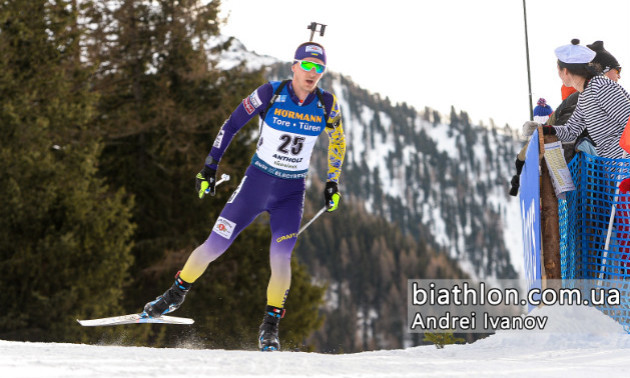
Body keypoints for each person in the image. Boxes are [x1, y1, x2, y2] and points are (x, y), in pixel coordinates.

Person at [143, 41, 346, 351]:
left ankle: (270, 327)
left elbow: (338, 142)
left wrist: (332, 182)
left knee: (281, 258)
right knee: (214, 244)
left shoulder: (326, 104)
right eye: (306, 66)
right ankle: (174, 295)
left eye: (318, 68)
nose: (312, 73)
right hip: (256, 184)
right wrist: (210, 167)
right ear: (294, 66)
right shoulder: (270, 93)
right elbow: (232, 123)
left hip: (290, 193)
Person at [522, 39, 630, 160]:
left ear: (565, 71)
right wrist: (544, 129)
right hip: (615, 168)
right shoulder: (585, 95)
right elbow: (571, 131)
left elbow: (628, 119)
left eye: (558, 70)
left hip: (625, 166)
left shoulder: (600, 87)